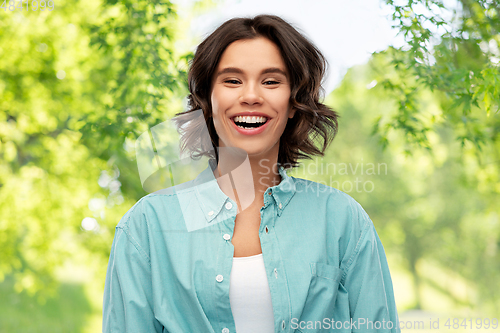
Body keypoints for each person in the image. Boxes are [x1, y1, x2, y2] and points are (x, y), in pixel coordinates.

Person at [102, 14, 400, 333]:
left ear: (293, 101)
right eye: (232, 80)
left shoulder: (342, 221)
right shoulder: (147, 227)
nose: (251, 96)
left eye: (271, 81)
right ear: (207, 98)